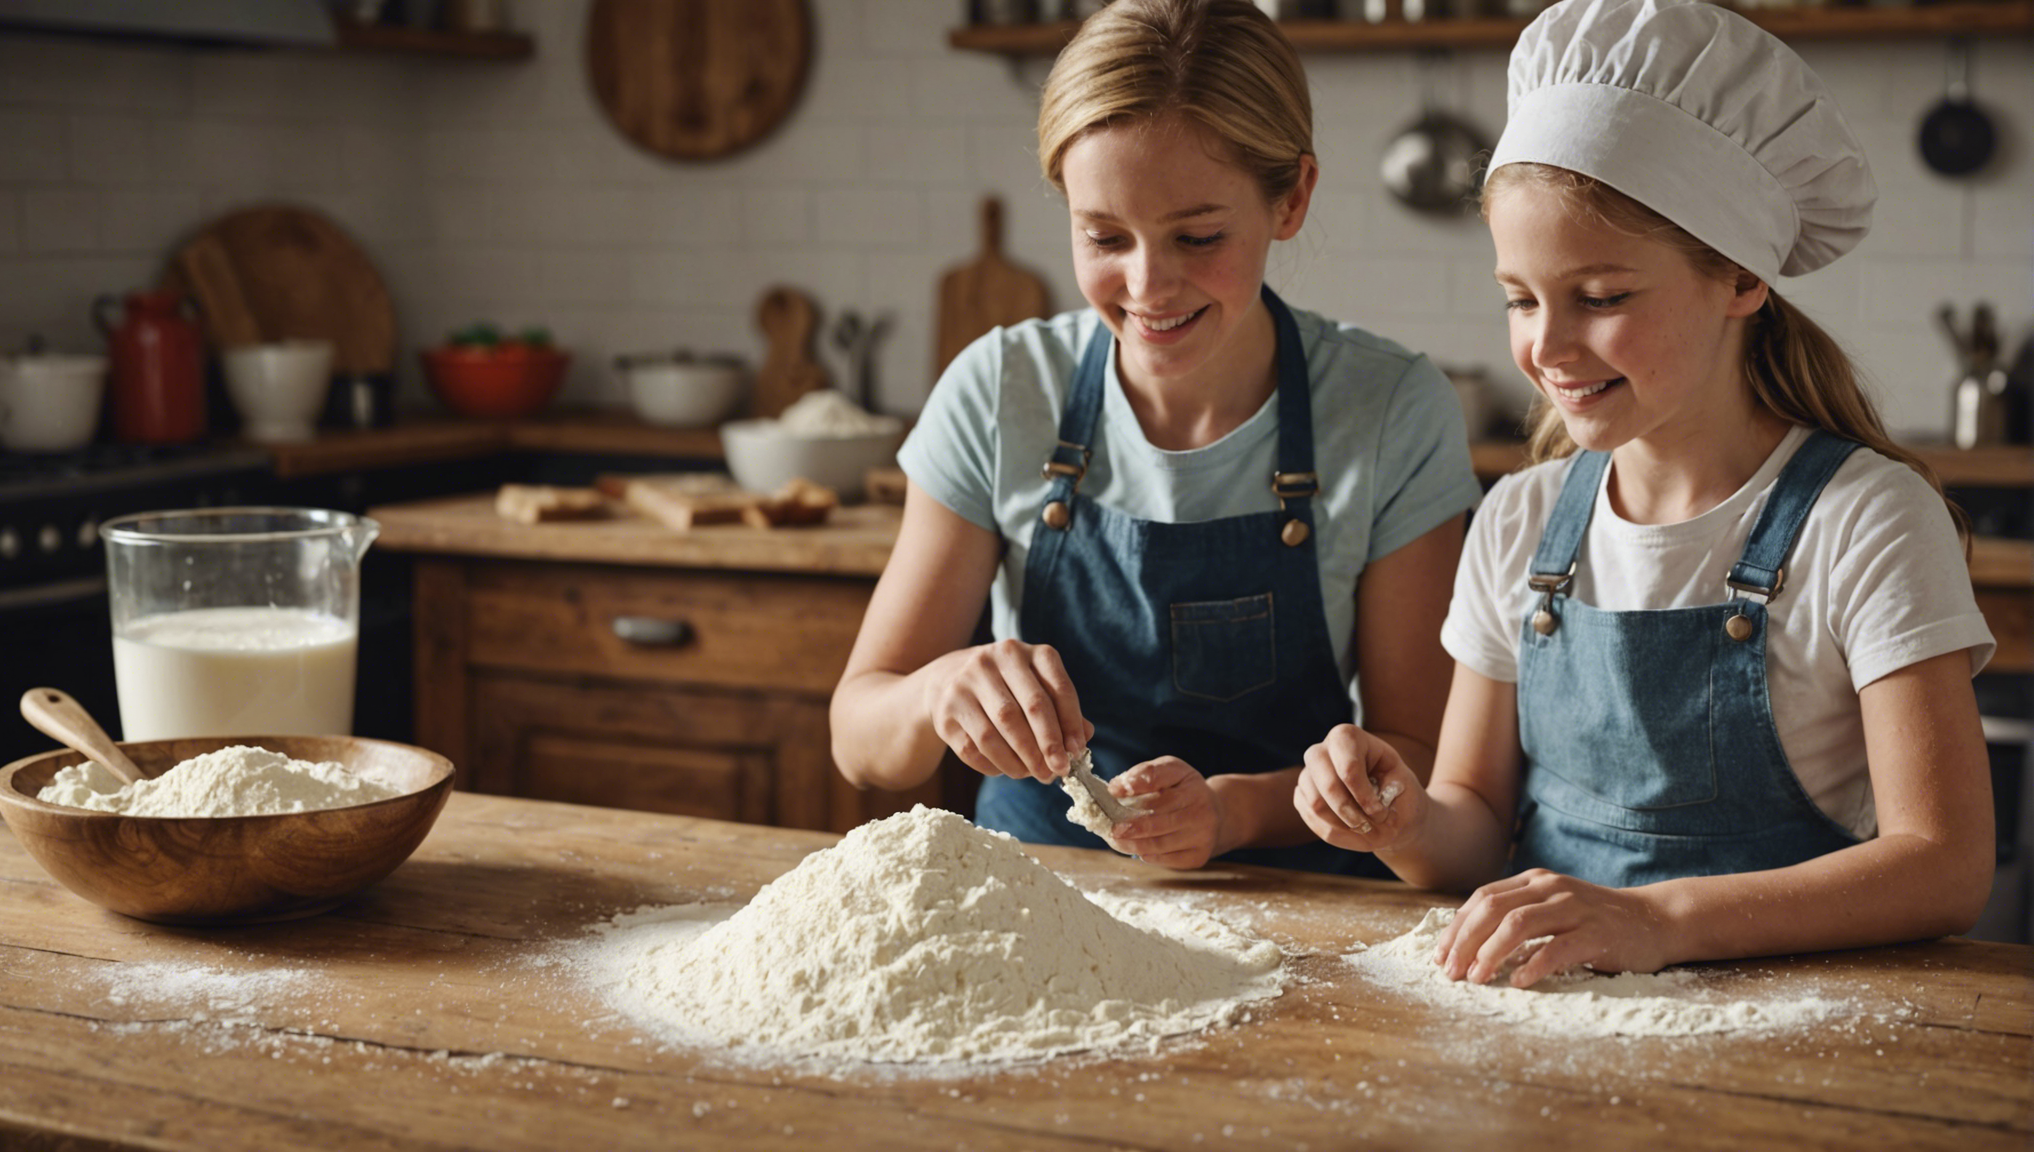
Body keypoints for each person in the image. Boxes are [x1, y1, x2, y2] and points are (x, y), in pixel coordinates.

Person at [1296, 0, 1997, 981]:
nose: (1546, 346)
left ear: (1741, 278)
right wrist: (1398, 819)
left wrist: (1657, 921)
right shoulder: (1521, 520)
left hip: (1803, 1036)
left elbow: (1944, 867)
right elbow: (1471, 827)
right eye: (1520, 299)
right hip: (1556, 1028)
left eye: (1604, 297)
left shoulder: (1866, 520)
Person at [829, 0, 1482, 874]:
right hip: (1040, 890)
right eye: (1104, 236)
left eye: (1198, 235)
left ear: (1291, 197)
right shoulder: (1000, 389)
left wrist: (1236, 811)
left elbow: (1426, 762)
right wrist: (936, 695)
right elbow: (859, 742)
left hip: (1300, 907)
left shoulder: (1389, 406)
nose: (1148, 286)